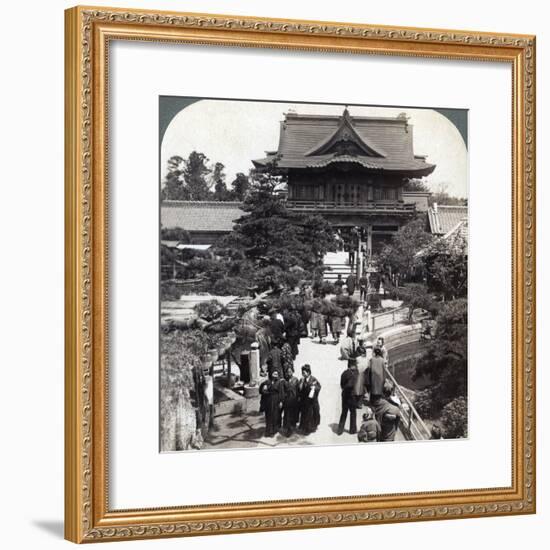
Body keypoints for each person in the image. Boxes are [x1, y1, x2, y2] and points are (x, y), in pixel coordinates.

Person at [259, 370, 285, 438]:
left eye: (277, 374)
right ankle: (268, 431)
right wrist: (263, 387)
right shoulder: (267, 382)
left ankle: (273, 431)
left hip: (276, 400)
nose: (275, 375)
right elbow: (261, 390)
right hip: (268, 400)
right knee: (268, 416)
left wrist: (281, 401)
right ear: (271, 374)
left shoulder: (279, 382)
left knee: (275, 416)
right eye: (274, 373)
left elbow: (281, 392)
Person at [337, 359, 359, 435]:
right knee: (349, 412)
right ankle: (352, 430)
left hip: (348, 395)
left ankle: (340, 430)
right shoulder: (350, 373)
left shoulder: (346, 373)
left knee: (346, 412)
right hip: (349, 396)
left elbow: (342, 385)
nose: (356, 366)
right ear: (350, 366)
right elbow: (342, 385)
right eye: (355, 365)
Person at [298, 365, 321, 435]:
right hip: (305, 401)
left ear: (308, 372)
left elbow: (319, 386)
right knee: (305, 414)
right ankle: (305, 427)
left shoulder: (313, 379)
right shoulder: (302, 380)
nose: (303, 374)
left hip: (312, 401)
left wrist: (314, 388)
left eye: (304, 372)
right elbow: (300, 389)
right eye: (302, 372)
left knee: (311, 414)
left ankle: (310, 428)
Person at [282, 366, 300, 436]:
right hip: (287, 401)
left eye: (290, 371)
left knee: (293, 415)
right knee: (287, 415)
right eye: (288, 371)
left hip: (294, 400)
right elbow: (283, 391)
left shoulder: (296, 380)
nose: (289, 373)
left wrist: (298, 398)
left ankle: (292, 428)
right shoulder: (284, 381)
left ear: (293, 371)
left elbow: (298, 390)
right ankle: (288, 430)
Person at [354, 340, 369, 407]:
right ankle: (365, 396)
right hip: (365, 376)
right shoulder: (366, 359)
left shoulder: (357, 358)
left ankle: (359, 403)